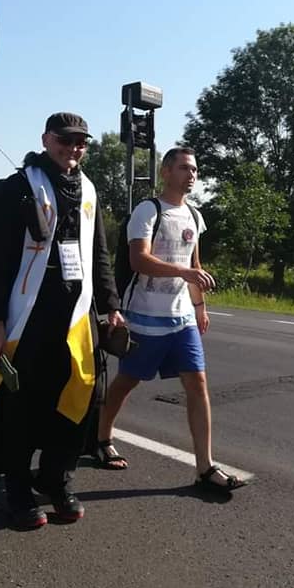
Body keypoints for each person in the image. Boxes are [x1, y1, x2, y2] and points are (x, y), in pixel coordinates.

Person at [0, 112, 124, 529]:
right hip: (30, 313)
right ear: (46, 139)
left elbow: (98, 253)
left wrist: (111, 305)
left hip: (77, 312)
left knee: (79, 397)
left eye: (81, 142)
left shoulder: (88, 188)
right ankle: (17, 488)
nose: (73, 148)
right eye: (65, 140)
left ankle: (56, 476)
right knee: (22, 403)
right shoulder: (18, 187)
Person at [96, 147, 247, 494]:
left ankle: (205, 467)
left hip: (182, 320)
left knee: (197, 383)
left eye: (194, 170)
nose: (191, 175)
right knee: (127, 381)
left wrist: (200, 306)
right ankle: (102, 438)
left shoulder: (194, 215)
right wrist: (183, 271)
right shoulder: (148, 211)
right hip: (145, 317)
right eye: (183, 168)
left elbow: (194, 265)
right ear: (165, 172)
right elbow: (139, 260)